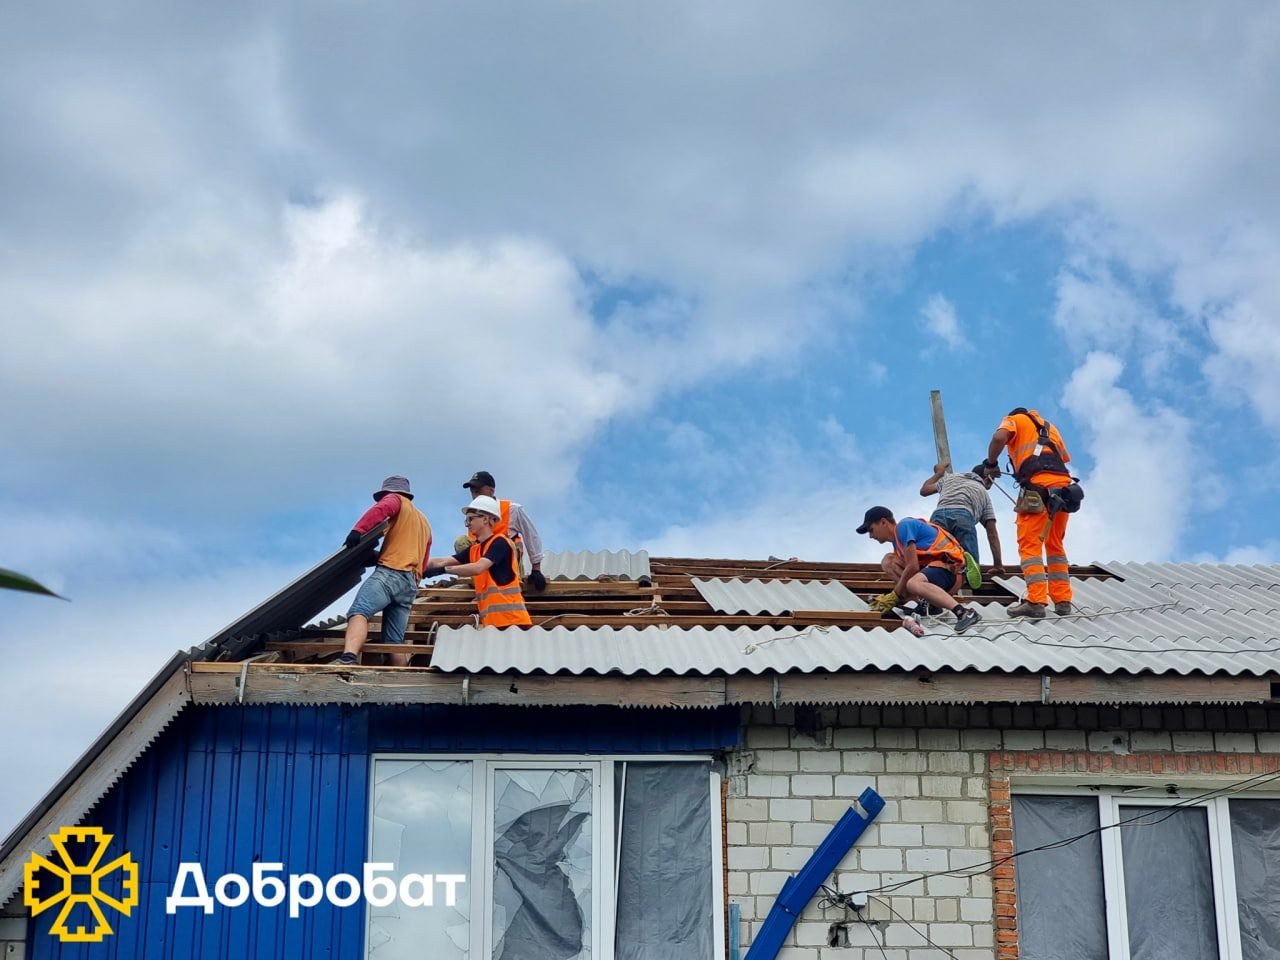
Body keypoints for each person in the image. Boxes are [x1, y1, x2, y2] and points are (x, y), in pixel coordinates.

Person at [981, 407, 1079, 618]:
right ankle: (1062, 600)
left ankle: (1036, 601)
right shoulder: (1051, 427)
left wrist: (990, 464)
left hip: (1038, 487)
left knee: (1030, 544)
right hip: (1064, 490)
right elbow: (1060, 458)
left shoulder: (1014, 419)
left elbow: (999, 437)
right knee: (1055, 545)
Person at [336, 476, 432, 667]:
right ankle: (401, 680)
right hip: (409, 584)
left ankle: (348, 658)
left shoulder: (395, 500)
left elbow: (381, 509)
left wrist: (358, 530)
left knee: (359, 612)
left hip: (390, 574)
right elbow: (423, 558)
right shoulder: (423, 522)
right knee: (394, 642)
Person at [857, 506, 982, 634]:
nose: (871, 536)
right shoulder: (898, 545)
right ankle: (927, 604)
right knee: (889, 561)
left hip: (952, 570)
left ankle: (964, 613)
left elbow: (913, 567)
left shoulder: (903, 526)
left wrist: (894, 596)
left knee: (913, 583)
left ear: (883, 522)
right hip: (936, 573)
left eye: (871, 530)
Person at [426, 495, 532, 626]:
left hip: (513, 623)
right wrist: (419, 564)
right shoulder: (475, 550)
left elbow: (478, 567)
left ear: (485, 519)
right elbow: (441, 561)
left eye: (471, 519)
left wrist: (443, 570)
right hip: (494, 625)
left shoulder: (500, 543)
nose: (468, 524)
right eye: (467, 520)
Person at [461, 471, 547, 592]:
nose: (475, 495)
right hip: (483, 568)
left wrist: (536, 569)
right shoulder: (472, 516)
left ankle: (509, 582)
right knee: (462, 542)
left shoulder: (512, 509)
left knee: (505, 543)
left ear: (491, 490)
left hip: (507, 567)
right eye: (473, 491)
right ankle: (477, 583)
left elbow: (531, 535)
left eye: (478, 491)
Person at [920, 461, 1004, 573]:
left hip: (938, 516)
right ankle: (968, 572)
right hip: (963, 517)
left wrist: (939, 473)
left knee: (937, 557)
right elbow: (992, 533)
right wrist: (998, 565)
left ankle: (934, 575)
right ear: (988, 478)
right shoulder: (983, 493)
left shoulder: (950, 478)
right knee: (969, 564)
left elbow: (924, 490)